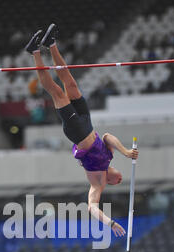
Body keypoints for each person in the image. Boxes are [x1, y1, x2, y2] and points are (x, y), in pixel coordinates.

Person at [25, 24, 138, 235]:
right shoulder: (110, 157)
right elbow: (106, 136)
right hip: (88, 123)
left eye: (119, 181)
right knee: (71, 84)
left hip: (78, 132)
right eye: (121, 178)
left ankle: (35, 52)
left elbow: (92, 208)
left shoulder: (99, 184)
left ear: (111, 183)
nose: (120, 178)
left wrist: (110, 223)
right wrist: (126, 152)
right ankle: (52, 45)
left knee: (57, 92)